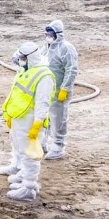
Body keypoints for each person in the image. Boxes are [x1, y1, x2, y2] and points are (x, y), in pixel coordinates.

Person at [0, 41, 55, 202]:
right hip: (20, 118)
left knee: (30, 153)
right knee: (21, 149)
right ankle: (24, 177)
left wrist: (37, 124)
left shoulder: (44, 76)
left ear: (30, 58)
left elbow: (43, 102)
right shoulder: (26, 70)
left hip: (31, 120)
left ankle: (29, 188)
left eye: (22, 58)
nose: (19, 60)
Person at [42, 19, 78, 160]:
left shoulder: (66, 48)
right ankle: (43, 142)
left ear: (57, 33)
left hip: (59, 91)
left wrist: (65, 88)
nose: (48, 36)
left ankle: (58, 146)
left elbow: (71, 70)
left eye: (50, 33)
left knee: (59, 119)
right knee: (45, 117)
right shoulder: (46, 47)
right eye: (46, 33)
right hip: (46, 90)